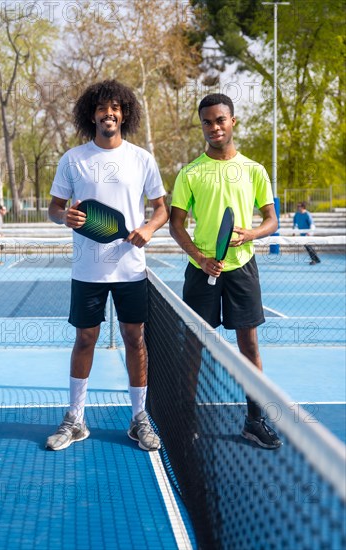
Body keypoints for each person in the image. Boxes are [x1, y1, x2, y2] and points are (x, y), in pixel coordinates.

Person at [46, 80, 169, 452]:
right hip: (87, 271)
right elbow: (54, 207)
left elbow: (162, 208)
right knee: (85, 339)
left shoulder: (142, 159)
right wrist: (62, 217)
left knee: (135, 340)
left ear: (124, 114)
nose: (109, 113)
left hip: (131, 269)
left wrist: (148, 228)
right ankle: (75, 419)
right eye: (102, 108)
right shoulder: (73, 158)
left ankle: (139, 419)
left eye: (115, 108)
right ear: (92, 115)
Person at [169, 93, 281, 449]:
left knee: (249, 345)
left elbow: (271, 220)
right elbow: (176, 225)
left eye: (220, 120)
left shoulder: (254, 170)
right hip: (201, 272)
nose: (214, 127)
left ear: (233, 122)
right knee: (194, 347)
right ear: (201, 125)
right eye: (207, 122)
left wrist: (250, 233)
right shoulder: (190, 172)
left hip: (242, 269)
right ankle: (187, 421)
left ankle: (254, 420)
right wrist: (201, 259)